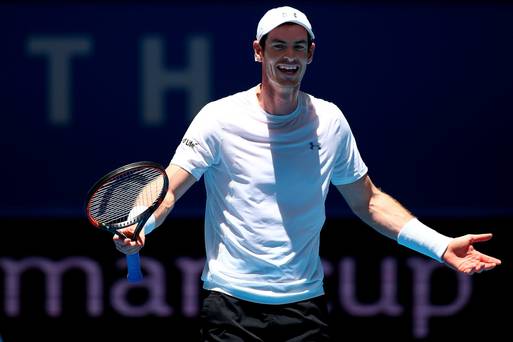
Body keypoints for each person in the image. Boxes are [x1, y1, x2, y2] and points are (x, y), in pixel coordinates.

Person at [114, 6, 502, 341]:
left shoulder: (329, 121)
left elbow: (368, 201)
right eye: (278, 45)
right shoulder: (218, 119)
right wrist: (139, 224)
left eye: (299, 46)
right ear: (258, 51)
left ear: (310, 54)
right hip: (230, 305)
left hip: (304, 306)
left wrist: (438, 245)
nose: (289, 55)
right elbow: (167, 188)